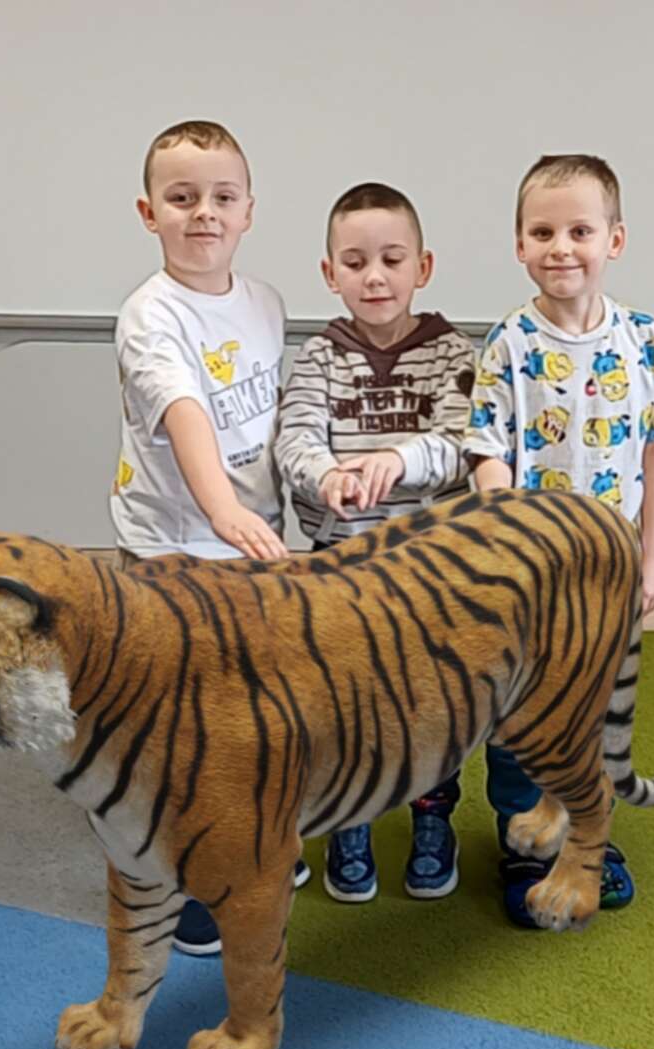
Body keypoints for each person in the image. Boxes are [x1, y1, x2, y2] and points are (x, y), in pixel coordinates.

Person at [461, 153, 654, 927]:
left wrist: (653, 557)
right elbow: (486, 451)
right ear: (519, 244)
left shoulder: (644, 340)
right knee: (520, 713)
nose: (561, 247)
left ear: (614, 240)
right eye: (542, 232)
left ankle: (584, 843)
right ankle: (523, 843)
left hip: (609, 576)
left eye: (580, 231)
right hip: (530, 580)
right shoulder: (508, 343)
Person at [109, 119, 308, 956]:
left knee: (249, 707)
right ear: (148, 212)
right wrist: (223, 509)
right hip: (172, 549)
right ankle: (187, 875)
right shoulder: (148, 316)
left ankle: (255, 838)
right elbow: (187, 411)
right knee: (179, 723)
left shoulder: (266, 303)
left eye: (223, 197)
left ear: (249, 210)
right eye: (183, 197)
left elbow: (275, 415)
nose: (204, 213)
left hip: (253, 548)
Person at [275, 182, 476, 904]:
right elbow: (294, 438)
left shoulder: (453, 353)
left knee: (435, 707)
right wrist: (325, 474)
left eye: (392, 259)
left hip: (432, 574)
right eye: (355, 262)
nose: (375, 277)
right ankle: (350, 821)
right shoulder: (319, 357)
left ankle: (432, 820)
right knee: (342, 705)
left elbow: (462, 442)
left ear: (423, 266)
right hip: (341, 572)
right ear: (330, 273)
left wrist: (399, 459)